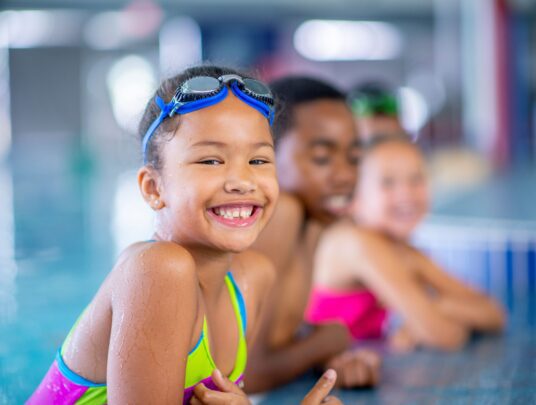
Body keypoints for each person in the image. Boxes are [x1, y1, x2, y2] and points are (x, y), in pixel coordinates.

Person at [28, 66, 341, 404]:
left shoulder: (252, 280)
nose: (242, 180)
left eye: (259, 160)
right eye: (210, 160)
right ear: (153, 188)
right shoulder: (158, 270)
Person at [306, 135, 505, 352]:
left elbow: (493, 313)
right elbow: (445, 336)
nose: (406, 193)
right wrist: (430, 318)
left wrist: (441, 307)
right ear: (354, 199)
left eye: (416, 179)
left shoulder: (406, 254)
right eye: (388, 182)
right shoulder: (356, 244)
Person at [244, 76, 381, 393]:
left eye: (354, 158)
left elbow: (278, 334)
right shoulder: (282, 212)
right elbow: (247, 375)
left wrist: (328, 356)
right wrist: (330, 339)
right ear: (268, 156)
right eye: (321, 157)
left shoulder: (314, 221)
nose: (346, 175)